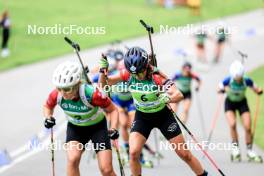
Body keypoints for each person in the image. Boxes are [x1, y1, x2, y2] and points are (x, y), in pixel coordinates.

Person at [99, 47, 208, 176]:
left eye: (140, 73)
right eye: (134, 74)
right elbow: (104, 84)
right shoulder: (128, 74)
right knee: (133, 153)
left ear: (146, 66)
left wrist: (168, 98)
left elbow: (179, 95)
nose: (137, 77)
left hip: (163, 117)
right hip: (142, 117)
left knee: (184, 154)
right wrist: (102, 71)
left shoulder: (157, 76)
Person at [43, 61, 119, 176]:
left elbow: (113, 110)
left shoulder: (92, 94)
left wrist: (113, 128)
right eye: (60, 88)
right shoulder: (57, 94)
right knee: (73, 159)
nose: (63, 93)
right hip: (76, 129)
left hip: (97, 128)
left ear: (78, 84)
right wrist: (48, 117)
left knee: (106, 169)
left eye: (67, 89)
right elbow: (47, 106)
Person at [218, 60, 263, 162]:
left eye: (239, 78)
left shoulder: (246, 80)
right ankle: (235, 149)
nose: (238, 80)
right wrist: (222, 89)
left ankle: (249, 151)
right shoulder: (228, 80)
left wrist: (259, 91)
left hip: (242, 103)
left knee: (247, 126)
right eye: (236, 78)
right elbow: (219, 87)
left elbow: (255, 88)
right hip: (230, 103)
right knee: (232, 124)